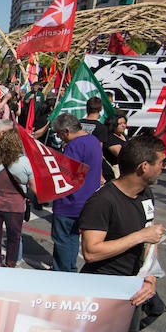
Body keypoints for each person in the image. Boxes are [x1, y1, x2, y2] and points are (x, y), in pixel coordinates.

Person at [80, 135, 166, 332]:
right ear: (143, 166)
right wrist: (139, 235)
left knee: (134, 329)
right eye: (161, 162)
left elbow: (150, 242)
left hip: (134, 283)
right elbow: (92, 251)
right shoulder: (103, 201)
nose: (164, 167)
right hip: (105, 286)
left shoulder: (145, 195)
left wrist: (150, 276)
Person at [50, 114, 103, 272]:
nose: (59, 137)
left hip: (68, 202)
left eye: (59, 133)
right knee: (73, 239)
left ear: (67, 131)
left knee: (63, 240)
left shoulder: (74, 146)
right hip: (86, 201)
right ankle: (70, 269)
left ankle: (63, 273)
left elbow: (66, 175)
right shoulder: (93, 141)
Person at [0, 129, 34, 267]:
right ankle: (11, 264)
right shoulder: (25, 162)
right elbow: (34, 188)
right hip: (15, 206)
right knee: (14, 237)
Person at [103, 112, 128, 181]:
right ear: (113, 125)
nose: (123, 125)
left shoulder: (123, 135)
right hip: (114, 171)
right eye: (120, 124)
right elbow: (122, 154)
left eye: (124, 123)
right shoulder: (110, 138)